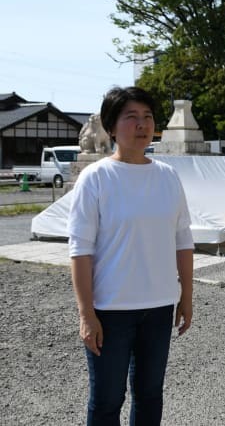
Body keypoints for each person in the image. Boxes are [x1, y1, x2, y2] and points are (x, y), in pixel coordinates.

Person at [68, 86, 194, 425]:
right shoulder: (96, 178)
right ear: (111, 128)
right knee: (108, 399)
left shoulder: (168, 177)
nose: (142, 125)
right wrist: (86, 314)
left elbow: (183, 239)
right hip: (110, 309)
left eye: (148, 117)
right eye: (131, 117)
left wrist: (186, 297)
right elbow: (80, 250)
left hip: (158, 306)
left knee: (150, 393)